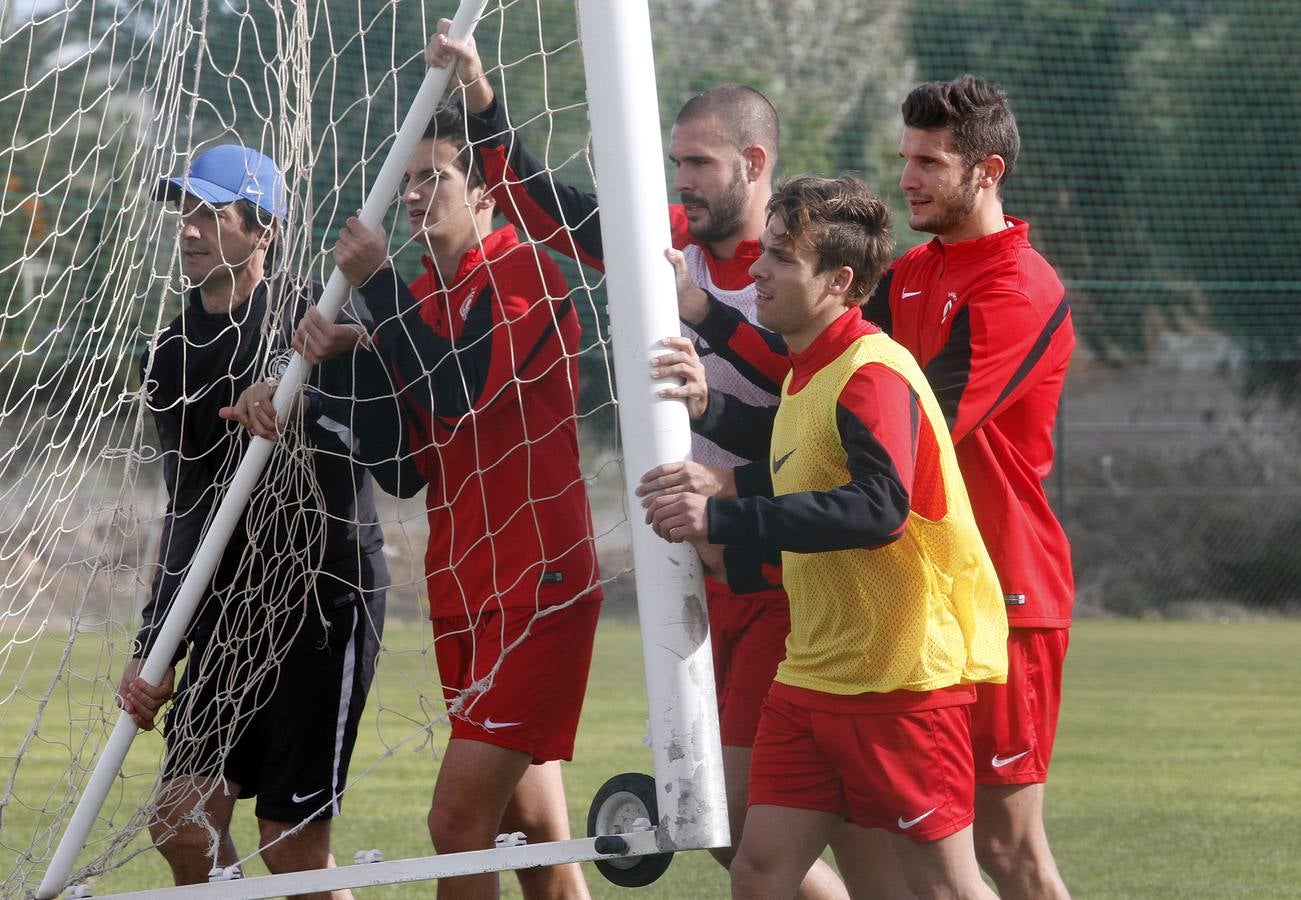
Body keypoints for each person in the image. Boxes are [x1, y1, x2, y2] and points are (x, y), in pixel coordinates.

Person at [426, 23, 860, 898]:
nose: (681, 183)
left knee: (753, 826)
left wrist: (711, 356)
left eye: (698, 164)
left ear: (755, 159)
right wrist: (480, 99)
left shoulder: (799, 269)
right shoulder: (669, 241)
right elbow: (551, 206)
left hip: (791, 576)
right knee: (737, 828)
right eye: (674, 164)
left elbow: (826, 405)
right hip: (708, 574)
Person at [678, 76, 1076, 899]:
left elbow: (893, 448)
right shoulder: (910, 274)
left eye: (930, 162)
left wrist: (733, 499)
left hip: (998, 592)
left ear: (987, 171)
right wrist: (710, 378)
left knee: (1004, 854)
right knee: (784, 858)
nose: (908, 178)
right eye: (905, 159)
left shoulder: (1017, 287)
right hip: (885, 603)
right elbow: (813, 399)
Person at [644, 174, 1008, 900]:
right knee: (758, 870)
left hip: (902, 682)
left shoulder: (871, 372)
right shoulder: (810, 370)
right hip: (810, 677)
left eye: (780, 257)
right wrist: (708, 411)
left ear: (840, 281)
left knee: (945, 888)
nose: (757, 270)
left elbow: (878, 509)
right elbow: (791, 455)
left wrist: (719, 517)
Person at [302, 102, 603, 900]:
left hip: (534, 585)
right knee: (527, 828)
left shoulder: (526, 273)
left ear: (487, 194)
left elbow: (460, 389)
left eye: (434, 176)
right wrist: (341, 364)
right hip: (464, 585)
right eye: (405, 181)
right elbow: (404, 469)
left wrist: (376, 298)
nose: (411, 196)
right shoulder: (426, 300)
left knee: (456, 824)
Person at [117, 144, 390, 900]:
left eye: (212, 213)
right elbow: (189, 507)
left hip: (323, 602)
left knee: (291, 850)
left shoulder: (320, 313)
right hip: (235, 615)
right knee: (179, 820)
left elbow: (390, 430)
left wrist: (306, 400)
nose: (191, 229)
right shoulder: (171, 353)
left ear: (262, 230)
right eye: (185, 211)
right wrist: (155, 646)